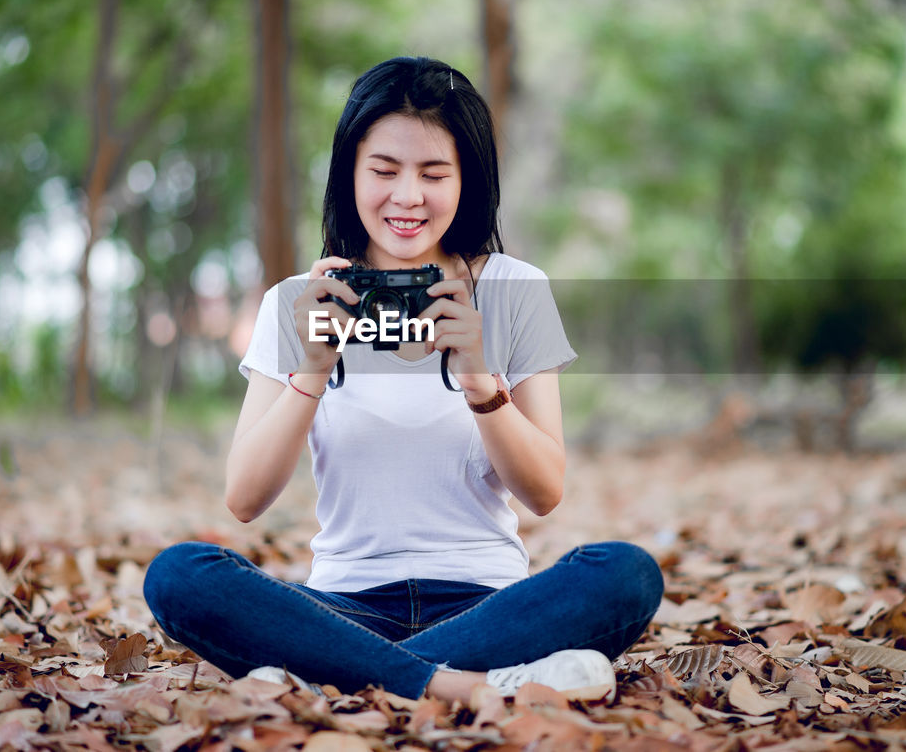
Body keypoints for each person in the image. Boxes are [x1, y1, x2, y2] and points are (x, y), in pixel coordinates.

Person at [143, 56, 663, 703]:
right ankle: (467, 684)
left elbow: (544, 490)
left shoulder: (514, 290)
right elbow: (245, 499)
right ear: (350, 174)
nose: (408, 197)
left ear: (466, 179)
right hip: (341, 606)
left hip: (489, 606)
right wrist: (311, 371)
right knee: (179, 574)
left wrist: (480, 383)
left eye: (433, 173)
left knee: (625, 573)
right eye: (384, 171)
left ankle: (337, 676)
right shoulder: (297, 303)